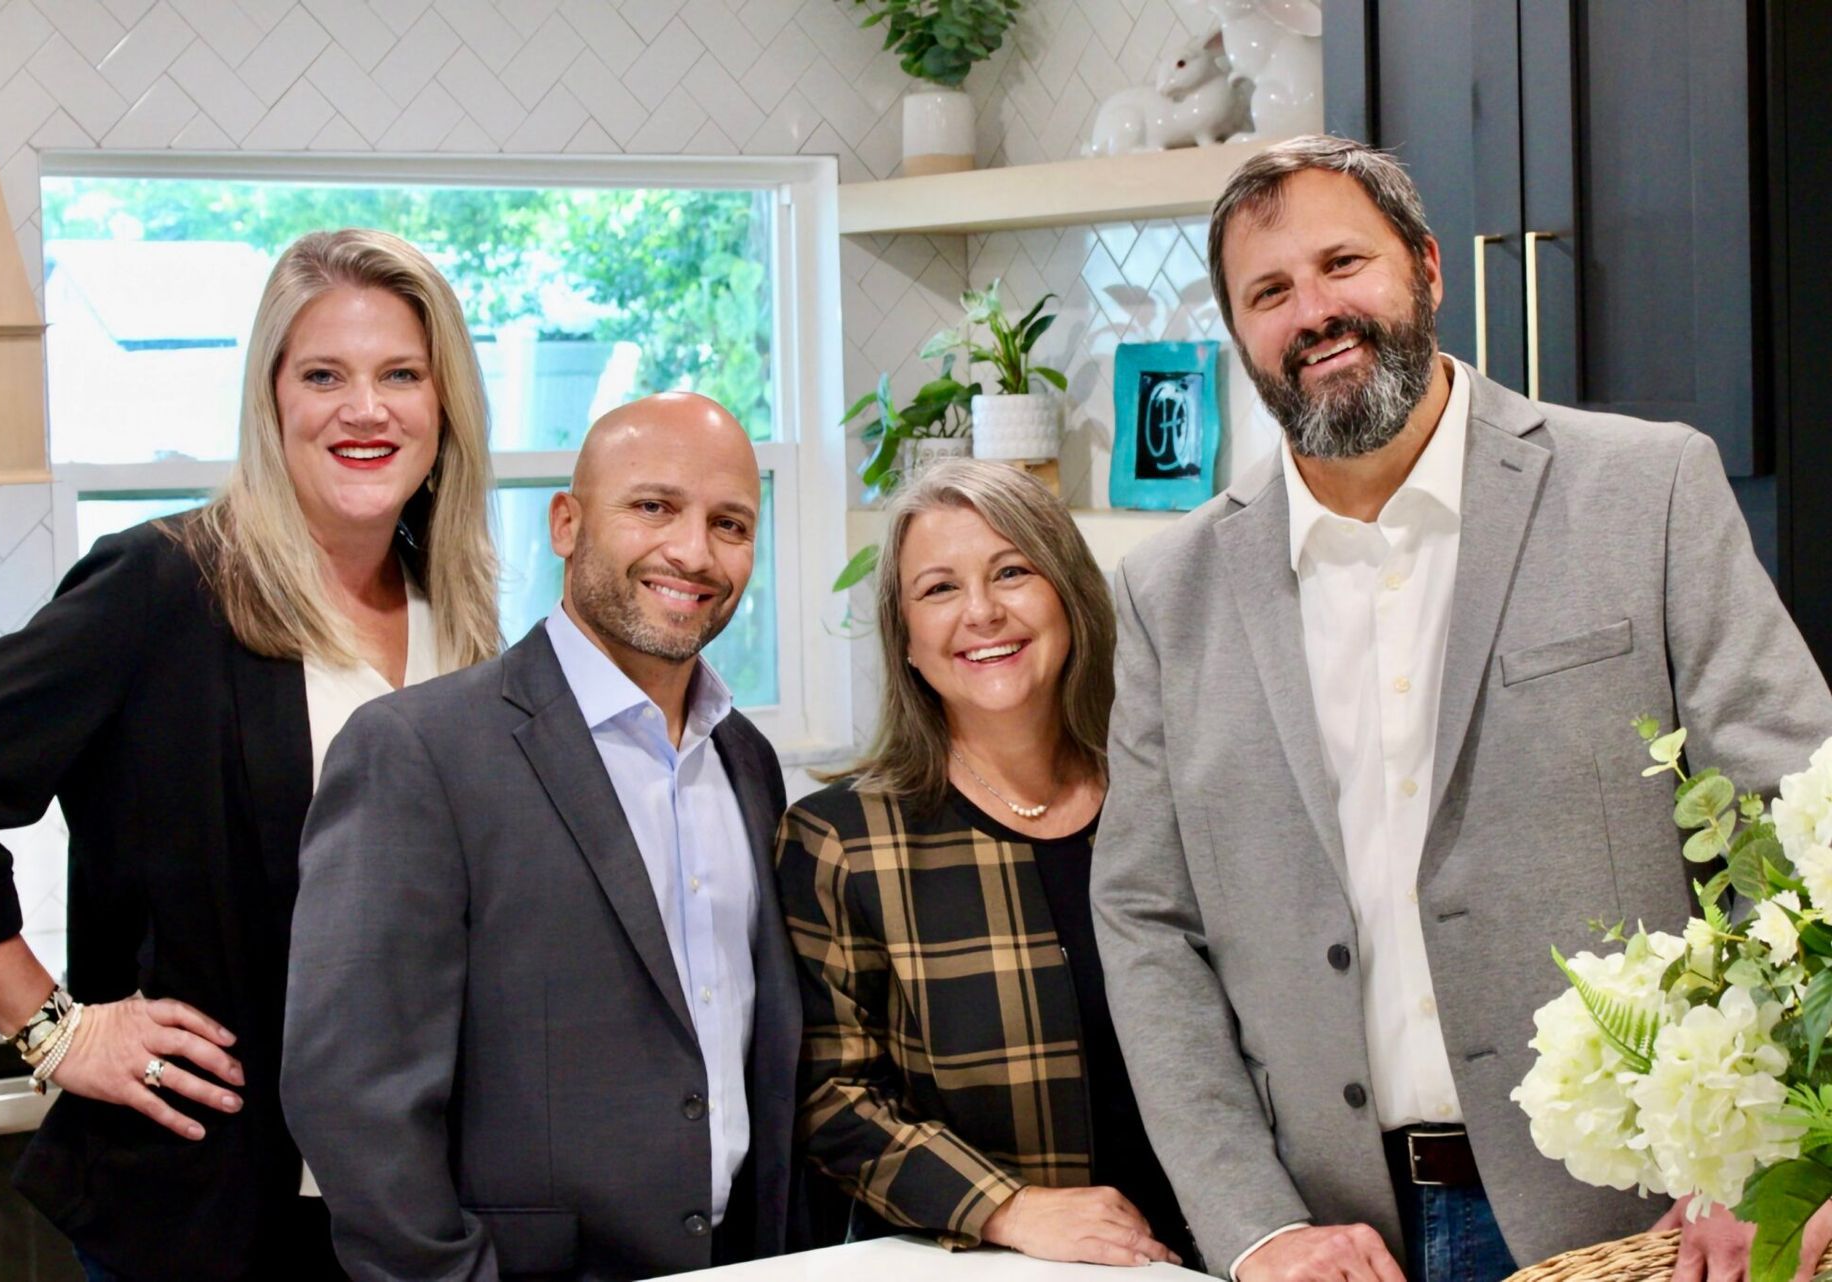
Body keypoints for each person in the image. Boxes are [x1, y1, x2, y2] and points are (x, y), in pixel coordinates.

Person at [1089, 134, 1832, 1282]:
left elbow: (1796, 838)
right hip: (1330, 1239)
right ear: (1239, 333)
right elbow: (1147, 924)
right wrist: (1255, 1224)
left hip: (1649, 1229)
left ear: (1430, 268)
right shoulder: (1165, 590)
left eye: (1345, 262)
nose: (1315, 311)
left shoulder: (1649, 491)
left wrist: (1763, 1168)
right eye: (1271, 291)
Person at [0, 228, 500, 1281]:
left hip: (426, 1204)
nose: (365, 409)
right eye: (324, 374)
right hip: (218, 1212)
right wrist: (56, 1031)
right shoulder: (164, 587)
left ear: (444, 402)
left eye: (400, 374)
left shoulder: (463, 616)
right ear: (272, 402)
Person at [281, 391, 799, 1280]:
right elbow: (353, 1101)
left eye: (730, 524)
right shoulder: (418, 750)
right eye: (653, 507)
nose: (693, 551)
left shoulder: (746, 760)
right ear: (566, 522)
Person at [776, 460, 1192, 1270]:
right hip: (992, 1261)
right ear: (905, 638)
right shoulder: (841, 842)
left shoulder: (1167, 800)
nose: (981, 612)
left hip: (1214, 1250)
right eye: (938, 589)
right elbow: (832, 1100)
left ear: (1070, 594)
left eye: (1012, 572)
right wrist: (1007, 1209)